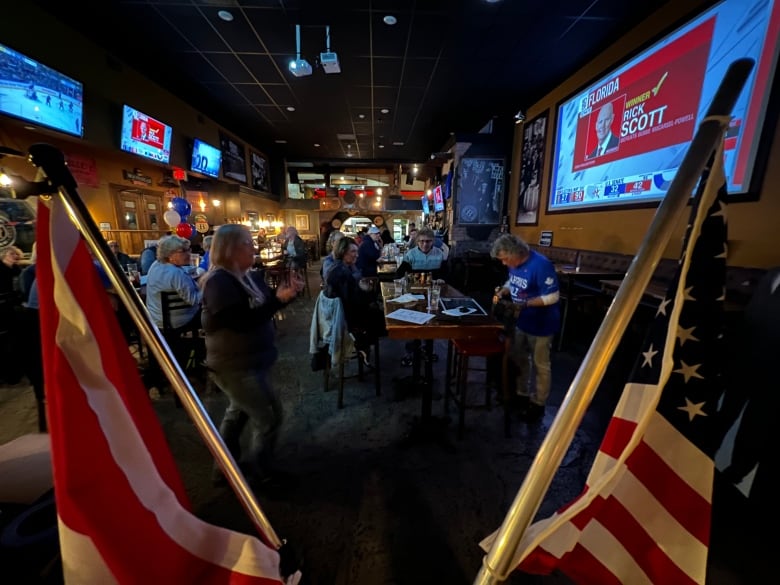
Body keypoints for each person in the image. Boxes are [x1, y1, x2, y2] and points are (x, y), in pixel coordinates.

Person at [200, 224, 302, 486]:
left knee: (237, 413)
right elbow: (241, 322)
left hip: (251, 360)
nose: (254, 247)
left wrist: (285, 296)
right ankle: (262, 473)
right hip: (234, 365)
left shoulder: (246, 275)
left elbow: (266, 308)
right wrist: (277, 301)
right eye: (247, 243)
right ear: (230, 249)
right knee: (269, 416)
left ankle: (224, 470)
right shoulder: (219, 282)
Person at [491, 234, 560, 422]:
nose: (504, 263)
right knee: (520, 358)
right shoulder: (515, 265)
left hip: (542, 323)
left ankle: (538, 404)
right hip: (521, 321)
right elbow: (512, 281)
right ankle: (521, 394)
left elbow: (553, 296)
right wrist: (504, 290)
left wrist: (526, 304)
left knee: (541, 365)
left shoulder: (541, 265)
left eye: (505, 259)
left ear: (516, 253)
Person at [324, 237, 385, 356]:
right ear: (342, 252)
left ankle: (364, 344)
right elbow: (354, 303)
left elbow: (353, 294)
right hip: (346, 320)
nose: (357, 255)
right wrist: (370, 295)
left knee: (380, 309)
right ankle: (362, 344)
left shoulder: (342, 267)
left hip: (344, 313)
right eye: (353, 252)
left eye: (357, 251)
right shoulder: (341, 272)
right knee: (384, 318)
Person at [145, 235, 202, 331]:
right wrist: (206, 285)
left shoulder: (156, 265)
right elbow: (195, 300)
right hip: (177, 321)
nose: (189, 253)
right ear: (170, 255)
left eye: (188, 249)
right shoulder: (176, 273)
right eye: (183, 251)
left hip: (156, 318)